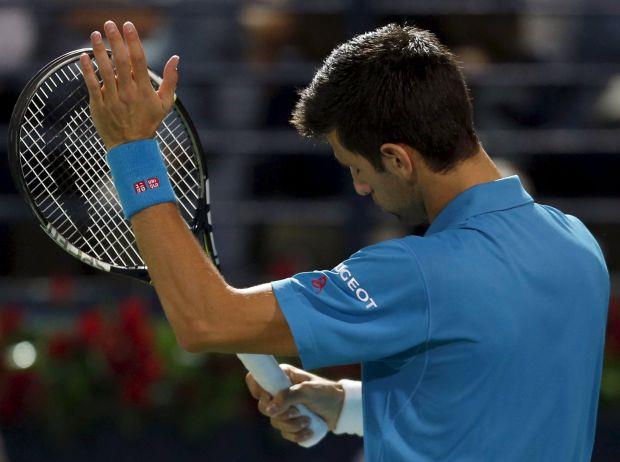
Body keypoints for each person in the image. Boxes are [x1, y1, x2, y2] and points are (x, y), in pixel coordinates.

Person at [80, 21, 609, 461]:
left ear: (397, 159)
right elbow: (498, 398)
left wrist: (132, 150)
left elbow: (206, 320)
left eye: (356, 168)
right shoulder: (577, 245)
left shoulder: (418, 273)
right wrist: (342, 403)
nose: (359, 188)